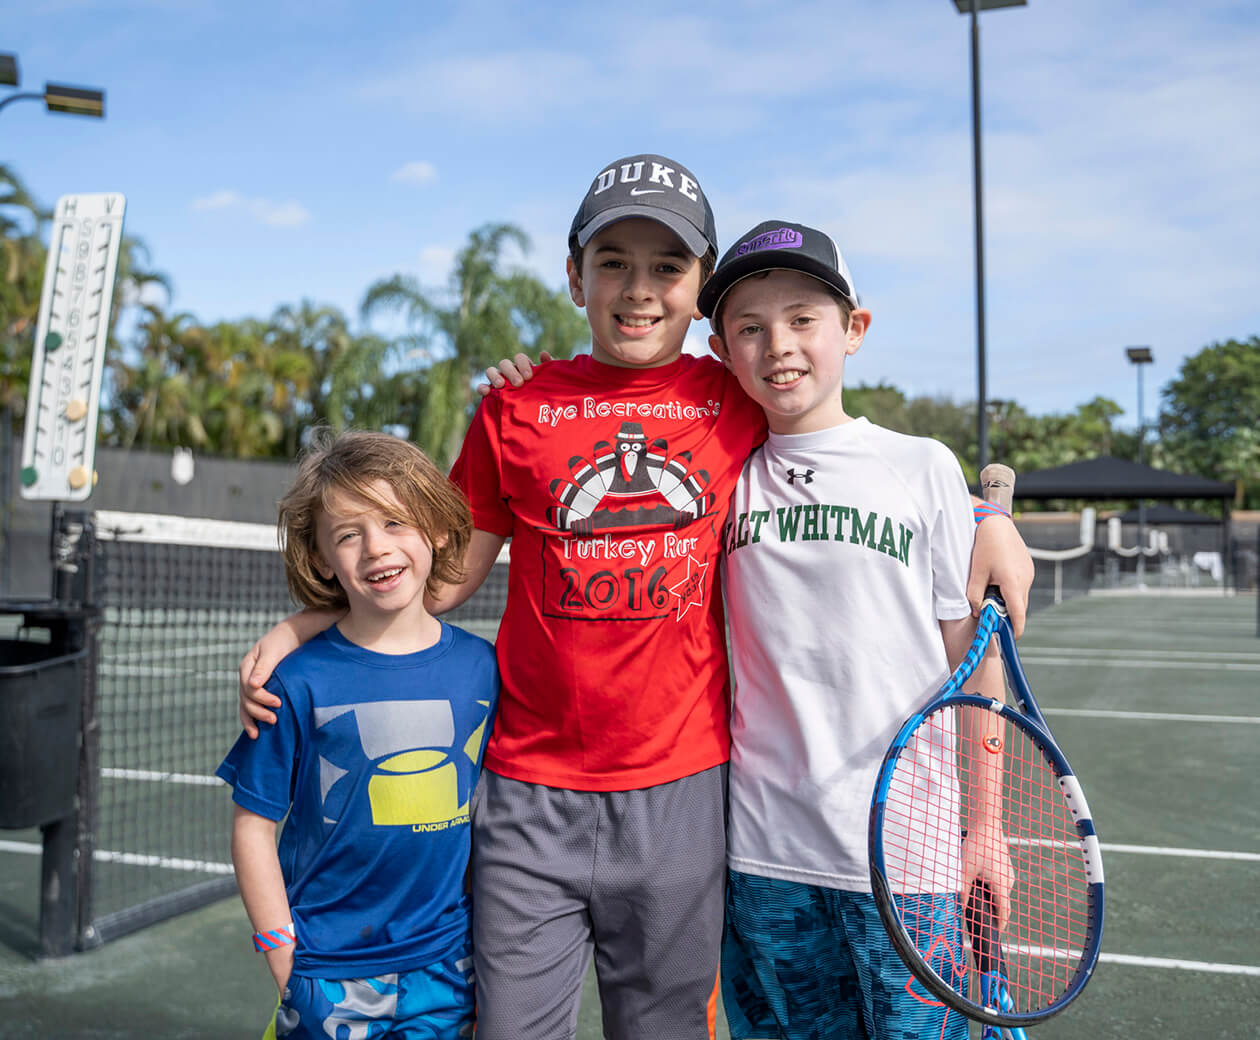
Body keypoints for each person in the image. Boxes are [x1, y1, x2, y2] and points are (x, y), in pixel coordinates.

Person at [236, 155, 1032, 1040]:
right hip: (525, 791)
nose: (639, 288)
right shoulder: (514, 407)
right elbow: (443, 578)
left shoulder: (731, 394)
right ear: (574, 277)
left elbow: (851, 455)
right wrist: (310, 620)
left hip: (685, 793)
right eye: (613, 261)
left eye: (668, 266)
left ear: (700, 297)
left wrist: (982, 516)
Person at [698, 219, 1012, 1040]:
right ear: (721, 347)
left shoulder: (922, 466)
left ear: (854, 329)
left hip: (910, 861)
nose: (779, 346)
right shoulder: (716, 474)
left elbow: (972, 666)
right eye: (751, 328)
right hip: (762, 861)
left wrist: (986, 831)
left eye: (803, 318)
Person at [216, 429, 498, 1040]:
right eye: (349, 533)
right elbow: (252, 827)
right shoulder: (293, 681)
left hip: (448, 967)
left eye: (396, 521)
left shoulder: (484, 667)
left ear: (440, 529)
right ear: (321, 558)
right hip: (325, 972)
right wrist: (282, 956)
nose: (377, 548)